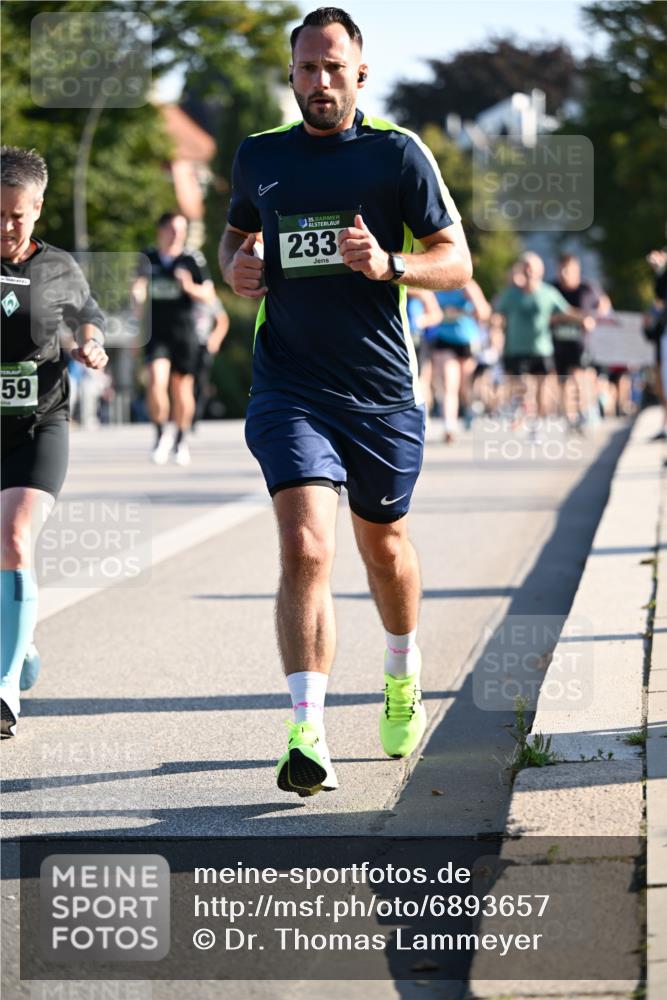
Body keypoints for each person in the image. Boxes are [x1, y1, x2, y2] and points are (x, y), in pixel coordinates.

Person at [219, 7, 471, 796]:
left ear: (360, 74)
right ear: (290, 75)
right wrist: (235, 266)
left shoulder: (395, 154)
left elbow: (455, 260)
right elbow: (233, 237)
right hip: (289, 385)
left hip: (380, 395)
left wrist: (390, 263)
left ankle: (401, 668)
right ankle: (308, 731)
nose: (319, 82)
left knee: (384, 545)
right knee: (305, 547)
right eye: (305, 69)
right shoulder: (259, 157)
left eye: (333, 68)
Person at [1, 145, 107, 738]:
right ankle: (22, 646)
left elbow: (87, 314)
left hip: (38, 426)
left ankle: (5, 688)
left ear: (37, 208)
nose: (6, 227)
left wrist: (89, 343)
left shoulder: (59, 267)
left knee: (14, 538)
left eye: (17, 215)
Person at [132, 213, 215, 465]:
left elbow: (209, 295)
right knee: (156, 381)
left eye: (181, 229)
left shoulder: (192, 259)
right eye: (172, 229)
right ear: (161, 230)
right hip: (156, 332)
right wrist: (137, 296)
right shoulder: (148, 256)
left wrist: (189, 286)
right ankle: (160, 434)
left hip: (184, 333)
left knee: (182, 389)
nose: (177, 234)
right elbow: (138, 285)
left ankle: (180, 438)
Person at [493, 252, 584, 435]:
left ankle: (537, 423)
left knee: (542, 389)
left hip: (542, 349)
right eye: (526, 266)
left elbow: (566, 310)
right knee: (524, 387)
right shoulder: (511, 294)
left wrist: (584, 319)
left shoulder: (548, 292)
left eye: (532, 267)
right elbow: (496, 313)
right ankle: (523, 413)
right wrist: (494, 328)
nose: (529, 271)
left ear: (540, 271)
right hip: (516, 349)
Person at [426, 280, 491, 442]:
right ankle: (449, 426)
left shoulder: (466, 285)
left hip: (466, 340)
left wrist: (463, 312)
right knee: (449, 384)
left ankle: (470, 408)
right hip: (443, 340)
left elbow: (484, 311)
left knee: (464, 386)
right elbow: (430, 310)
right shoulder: (436, 285)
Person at [551, 253, 611, 429]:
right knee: (562, 381)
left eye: (568, 270)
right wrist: (573, 317)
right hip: (559, 343)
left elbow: (604, 304)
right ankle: (568, 417)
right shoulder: (552, 289)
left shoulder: (587, 289)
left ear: (577, 270)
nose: (564, 273)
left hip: (581, 344)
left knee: (580, 377)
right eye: (561, 269)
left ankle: (586, 411)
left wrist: (596, 317)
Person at [192, 293, 229, 427]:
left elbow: (222, 320)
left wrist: (215, 340)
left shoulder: (209, 296)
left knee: (200, 381)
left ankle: (195, 416)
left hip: (203, 344)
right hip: (184, 343)